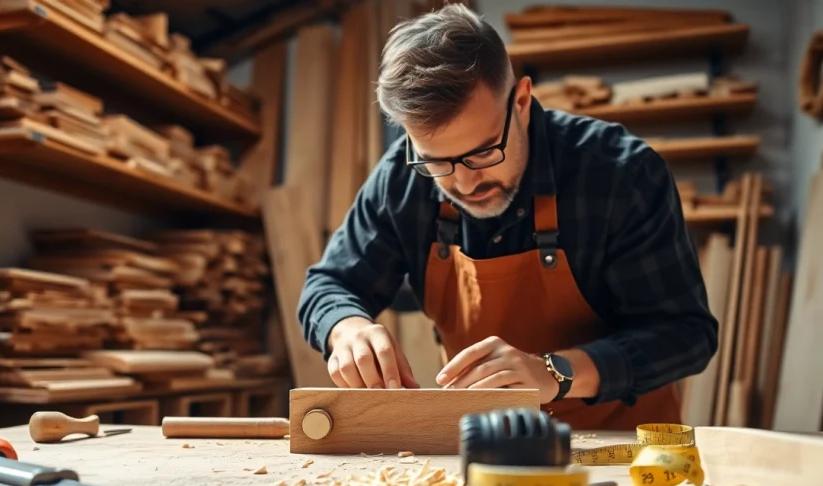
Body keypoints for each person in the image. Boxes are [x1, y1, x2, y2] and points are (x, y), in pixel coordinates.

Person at [295, 4, 718, 429]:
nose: (463, 182)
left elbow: (686, 335)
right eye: (437, 162)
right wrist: (346, 329)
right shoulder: (402, 178)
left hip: (620, 445)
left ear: (521, 101)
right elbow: (330, 283)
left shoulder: (620, 173)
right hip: (485, 435)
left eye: (482, 152)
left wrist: (554, 372)